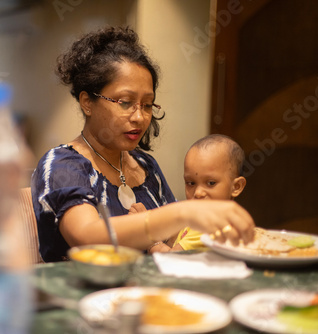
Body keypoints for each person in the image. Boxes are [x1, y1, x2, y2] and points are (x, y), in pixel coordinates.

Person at [31, 26, 255, 262]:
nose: (140, 117)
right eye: (126, 102)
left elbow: (174, 240)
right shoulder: (64, 165)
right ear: (87, 102)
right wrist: (181, 213)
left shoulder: (145, 165)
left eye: (147, 105)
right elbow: (87, 236)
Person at [169, 134, 247, 251]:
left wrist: (151, 243)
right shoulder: (197, 217)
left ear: (236, 186)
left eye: (211, 183)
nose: (198, 193)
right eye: (191, 183)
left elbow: (169, 258)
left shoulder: (208, 226)